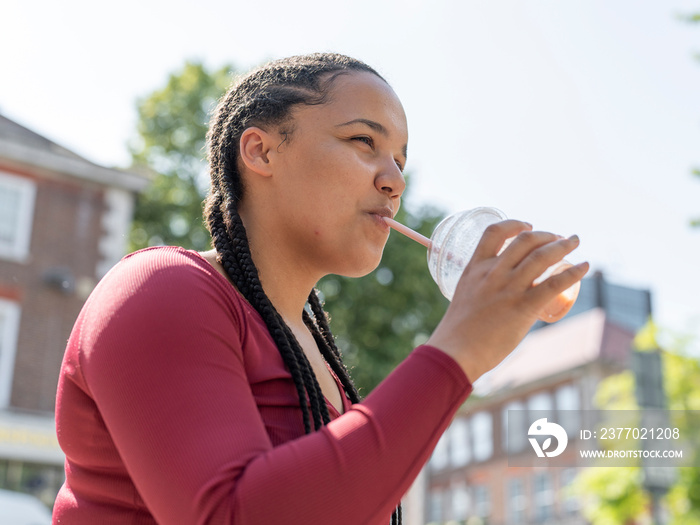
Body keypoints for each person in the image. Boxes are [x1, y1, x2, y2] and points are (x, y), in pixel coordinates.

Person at [52, 53, 588, 525]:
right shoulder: (159, 288)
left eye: (400, 160)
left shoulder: (318, 357)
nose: (395, 181)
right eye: (363, 141)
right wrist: (460, 352)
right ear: (260, 152)